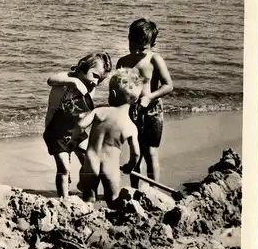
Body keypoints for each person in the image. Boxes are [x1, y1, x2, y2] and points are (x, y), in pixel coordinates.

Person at [43, 52, 112, 198]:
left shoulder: (90, 89)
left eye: (100, 80)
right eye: (95, 75)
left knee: (91, 160)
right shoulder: (66, 77)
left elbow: (83, 113)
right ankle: (64, 200)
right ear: (82, 67)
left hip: (76, 131)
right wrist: (74, 82)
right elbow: (50, 80)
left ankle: (83, 183)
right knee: (63, 168)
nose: (95, 82)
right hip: (56, 133)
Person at [73, 68, 143, 207]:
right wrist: (130, 166)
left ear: (113, 93)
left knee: (88, 199)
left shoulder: (99, 111)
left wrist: (74, 141)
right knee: (112, 199)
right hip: (111, 167)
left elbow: (80, 126)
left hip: (90, 163)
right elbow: (136, 153)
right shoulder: (130, 126)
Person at [116, 18, 173, 188]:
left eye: (143, 48)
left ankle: (153, 190)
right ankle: (135, 190)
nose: (137, 51)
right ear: (128, 39)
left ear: (152, 45)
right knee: (136, 153)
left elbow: (168, 85)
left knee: (150, 152)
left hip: (153, 111)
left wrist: (149, 97)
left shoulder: (154, 60)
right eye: (133, 46)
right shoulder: (123, 61)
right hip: (132, 111)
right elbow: (119, 89)